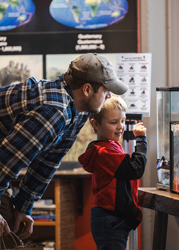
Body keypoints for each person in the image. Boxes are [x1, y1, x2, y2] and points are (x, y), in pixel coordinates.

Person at [0, 53, 128, 250]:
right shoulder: (53, 111)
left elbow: (47, 163)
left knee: (8, 224)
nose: (109, 94)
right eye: (106, 89)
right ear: (87, 89)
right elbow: (4, 162)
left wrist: (23, 208)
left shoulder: (79, 112)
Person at [78, 94, 147, 250]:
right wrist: (141, 140)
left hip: (112, 217)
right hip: (110, 218)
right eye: (113, 122)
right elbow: (135, 169)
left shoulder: (110, 146)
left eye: (122, 121)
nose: (120, 126)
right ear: (95, 124)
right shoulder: (105, 152)